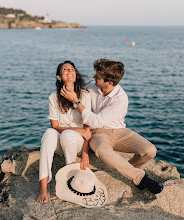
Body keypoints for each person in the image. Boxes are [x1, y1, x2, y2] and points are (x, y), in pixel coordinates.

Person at [60, 58, 163, 194]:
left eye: (97, 76)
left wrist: (76, 102)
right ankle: (139, 177)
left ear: (109, 82)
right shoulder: (92, 87)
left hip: (120, 131)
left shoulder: (120, 99)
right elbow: (92, 120)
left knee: (150, 150)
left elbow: (95, 120)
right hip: (99, 133)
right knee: (101, 149)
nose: (93, 77)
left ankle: (128, 170)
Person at [37, 61, 92, 204]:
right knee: (49, 132)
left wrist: (85, 153)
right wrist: (75, 128)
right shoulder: (53, 98)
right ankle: (43, 185)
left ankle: (70, 179)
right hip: (61, 142)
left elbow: (87, 129)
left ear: (75, 76)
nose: (69, 71)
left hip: (77, 143)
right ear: (59, 77)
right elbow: (55, 126)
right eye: (65, 69)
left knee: (68, 135)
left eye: (72, 69)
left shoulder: (85, 96)